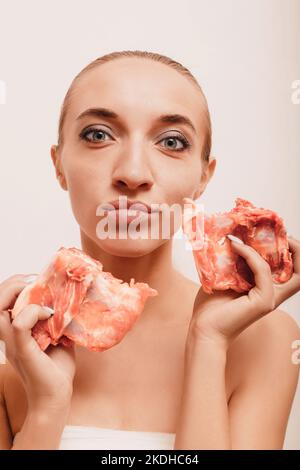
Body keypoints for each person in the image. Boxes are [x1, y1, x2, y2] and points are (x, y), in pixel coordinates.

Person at [0, 50, 299, 450]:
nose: (133, 174)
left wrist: (208, 342)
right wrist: (47, 409)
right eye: (98, 135)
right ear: (59, 165)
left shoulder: (264, 338)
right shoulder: (13, 344)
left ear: (202, 177)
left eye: (172, 142)